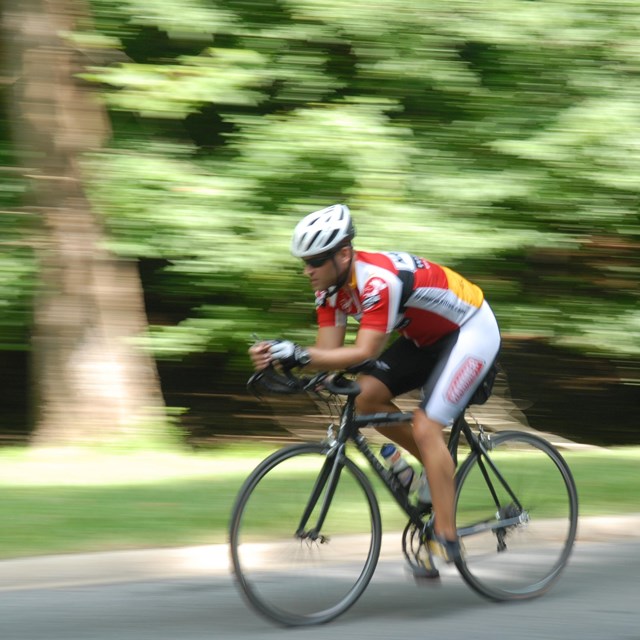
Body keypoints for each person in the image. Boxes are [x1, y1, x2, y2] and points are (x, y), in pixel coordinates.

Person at [249, 203, 501, 566]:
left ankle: (446, 536)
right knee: (367, 397)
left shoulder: (377, 281)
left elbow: (365, 349)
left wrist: (299, 354)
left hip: (471, 329)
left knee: (427, 426)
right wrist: (279, 357)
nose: (308, 270)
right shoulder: (329, 289)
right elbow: (329, 355)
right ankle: (434, 473)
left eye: (315, 261)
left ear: (344, 254)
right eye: (304, 262)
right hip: (424, 338)